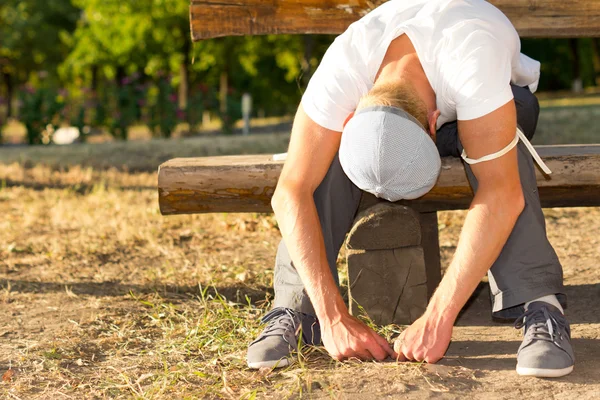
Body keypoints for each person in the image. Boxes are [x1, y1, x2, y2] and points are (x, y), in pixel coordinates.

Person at [246, 0, 574, 378]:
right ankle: (295, 307)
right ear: (350, 116)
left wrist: (439, 317)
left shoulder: (470, 61)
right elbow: (289, 191)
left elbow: (501, 193)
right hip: (414, 94)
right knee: (319, 162)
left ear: (433, 126)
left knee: (501, 153)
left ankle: (540, 303)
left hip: (497, 95)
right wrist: (332, 314)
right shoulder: (344, 66)